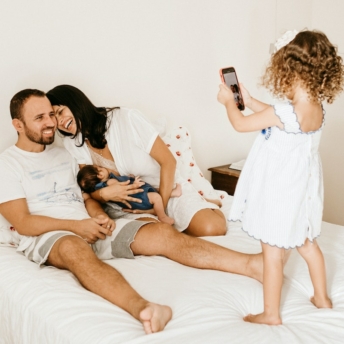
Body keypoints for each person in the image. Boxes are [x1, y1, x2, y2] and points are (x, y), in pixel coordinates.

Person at [0, 89, 264, 334]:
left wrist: (98, 215)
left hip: (94, 224)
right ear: (18, 125)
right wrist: (77, 226)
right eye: (40, 117)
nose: (50, 123)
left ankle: (251, 264)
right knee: (73, 249)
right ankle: (144, 309)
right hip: (56, 234)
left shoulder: (64, 154)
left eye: (51, 114)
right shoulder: (8, 163)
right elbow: (23, 223)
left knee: (161, 232)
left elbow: (85, 197)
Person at [217, 30, 344, 325]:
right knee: (308, 245)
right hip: (303, 191)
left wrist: (228, 102)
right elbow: (275, 114)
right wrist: (248, 99)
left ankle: (271, 314)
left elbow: (241, 124)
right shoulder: (315, 110)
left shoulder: (286, 113)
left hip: (281, 192)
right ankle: (322, 298)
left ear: (291, 72)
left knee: (272, 254)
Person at [46, 86, 227, 237]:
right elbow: (89, 187)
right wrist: (105, 195)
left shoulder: (126, 118)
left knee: (212, 229)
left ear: (76, 103)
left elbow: (168, 162)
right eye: (54, 118)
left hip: (165, 190)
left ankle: (208, 203)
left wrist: (158, 209)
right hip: (126, 204)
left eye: (60, 111)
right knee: (157, 236)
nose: (60, 121)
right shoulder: (72, 142)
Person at [77, 164, 182, 225]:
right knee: (156, 197)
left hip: (134, 201)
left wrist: (128, 176)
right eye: (100, 168)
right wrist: (135, 183)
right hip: (138, 197)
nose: (103, 168)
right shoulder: (110, 182)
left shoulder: (106, 185)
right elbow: (125, 187)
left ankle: (173, 193)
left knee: (154, 190)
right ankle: (162, 216)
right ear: (100, 174)